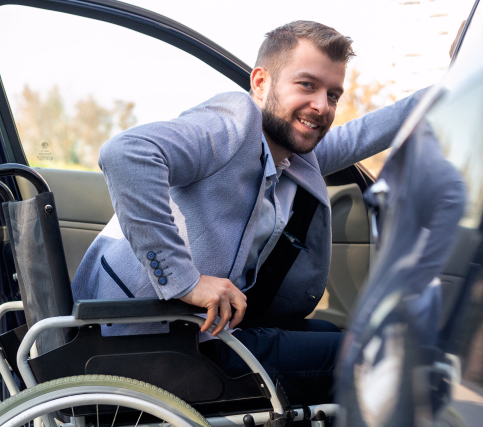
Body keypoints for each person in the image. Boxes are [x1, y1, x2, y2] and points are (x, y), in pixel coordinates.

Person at [72, 20, 425, 405]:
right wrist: (185, 282)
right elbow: (126, 155)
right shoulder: (234, 121)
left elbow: (362, 134)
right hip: (148, 341)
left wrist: (454, 86)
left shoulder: (291, 155)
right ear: (260, 83)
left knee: (332, 332)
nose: (322, 106)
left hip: (202, 331)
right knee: (378, 357)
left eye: (334, 94)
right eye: (306, 85)